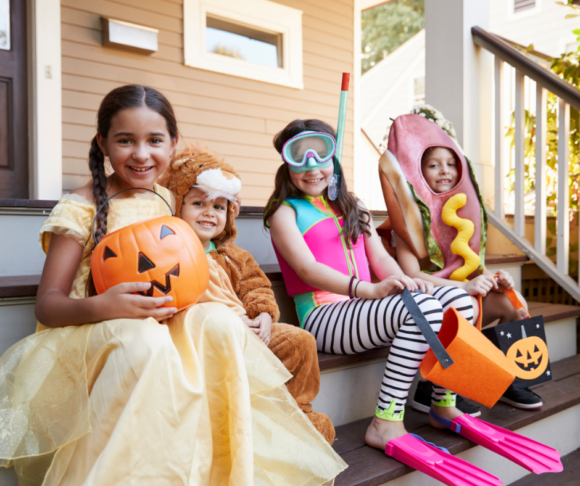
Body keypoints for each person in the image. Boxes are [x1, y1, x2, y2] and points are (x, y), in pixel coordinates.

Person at [0, 86, 345, 486]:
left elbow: (202, 259)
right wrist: (104, 306)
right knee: (145, 343)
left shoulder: (171, 199)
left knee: (219, 322)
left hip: (167, 320)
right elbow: (49, 304)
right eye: (125, 140)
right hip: (100, 328)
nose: (142, 154)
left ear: (173, 143)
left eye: (155, 141)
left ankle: (217, 472)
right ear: (103, 143)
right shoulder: (81, 206)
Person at [264, 118, 476, 452]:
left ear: (332, 157)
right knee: (420, 309)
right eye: (299, 158)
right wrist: (368, 290)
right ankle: (386, 421)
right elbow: (308, 270)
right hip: (325, 316)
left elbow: (381, 261)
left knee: (459, 301)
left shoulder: (353, 206)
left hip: (363, 309)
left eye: (320, 155)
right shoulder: (284, 213)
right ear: (287, 164)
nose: (312, 167)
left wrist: (398, 280)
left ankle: (442, 402)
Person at [159, 144, 335, 443]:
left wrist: (264, 315)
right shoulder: (168, 251)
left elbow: (257, 286)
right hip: (203, 338)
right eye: (198, 204)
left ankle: (296, 411)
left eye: (218, 207)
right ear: (178, 206)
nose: (209, 213)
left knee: (300, 340)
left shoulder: (234, 256)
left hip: (251, 333)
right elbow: (176, 299)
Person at [389, 113, 541, 412]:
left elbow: (470, 262)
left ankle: (502, 374)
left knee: (514, 303)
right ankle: (431, 387)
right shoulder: (406, 218)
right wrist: (466, 286)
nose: (444, 171)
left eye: (451, 164)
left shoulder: (464, 213)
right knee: (462, 303)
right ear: (418, 171)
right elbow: (411, 273)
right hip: (429, 295)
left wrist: (494, 279)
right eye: (433, 165)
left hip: (464, 290)